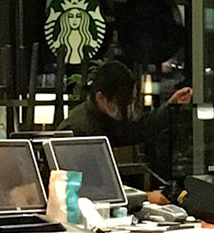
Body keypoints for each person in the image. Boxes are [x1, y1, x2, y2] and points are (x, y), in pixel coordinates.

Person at [64, 58, 192, 177]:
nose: (130, 109)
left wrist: (171, 105)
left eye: (132, 101)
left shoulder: (106, 118)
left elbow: (141, 127)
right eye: (124, 103)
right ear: (101, 98)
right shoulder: (77, 131)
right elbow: (83, 183)